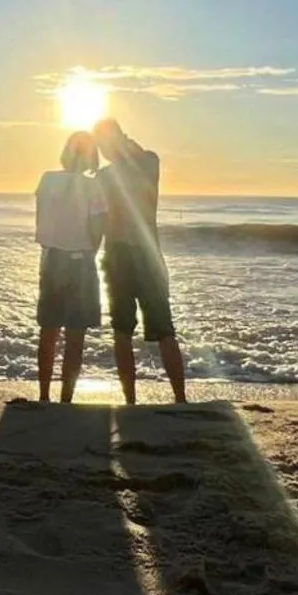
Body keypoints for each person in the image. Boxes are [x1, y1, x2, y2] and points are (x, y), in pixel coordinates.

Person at [92, 117, 187, 404]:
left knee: (132, 330)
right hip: (138, 255)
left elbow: (99, 222)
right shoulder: (144, 165)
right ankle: (170, 399)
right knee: (147, 329)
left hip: (124, 255)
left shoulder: (129, 169)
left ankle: (142, 399)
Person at [33, 131, 106, 404]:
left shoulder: (47, 179)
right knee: (75, 335)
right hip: (79, 260)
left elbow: (42, 217)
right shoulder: (93, 186)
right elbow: (97, 227)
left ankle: (44, 395)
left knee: (49, 330)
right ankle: (66, 399)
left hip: (51, 258)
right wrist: (90, 250)